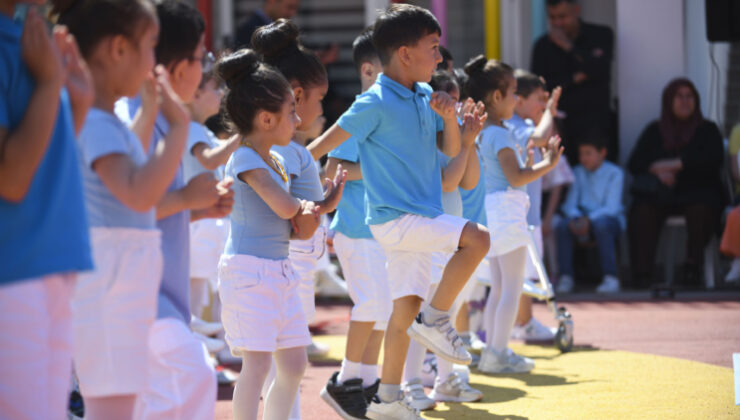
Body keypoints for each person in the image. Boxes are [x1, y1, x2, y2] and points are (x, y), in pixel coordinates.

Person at [308, 5, 491, 419]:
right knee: (479, 237)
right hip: (397, 219)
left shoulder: (427, 96)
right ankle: (438, 317)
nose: (441, 58)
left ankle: (387, 399)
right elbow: (321, 148)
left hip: (416, 219)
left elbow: (447, 154)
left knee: (402, 311)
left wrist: (455, 125)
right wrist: (281, 166)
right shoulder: (373, 101)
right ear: (405, 54)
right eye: (434, 48)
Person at [57, 1, 190, 418]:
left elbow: (125, 163)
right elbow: (136, 191)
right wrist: (179, 128)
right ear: (117, 50)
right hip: (111, 282)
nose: (155, 60)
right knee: (114, 406)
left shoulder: (105, 122)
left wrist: (150, 114)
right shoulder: (95, 123)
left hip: (119, 278)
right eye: (150, 46)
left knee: (122, 403)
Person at [115, 2, 234, 417]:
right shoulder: (135, 119)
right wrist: (186, 199)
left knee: (152, 396)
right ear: (180, 68)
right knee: (192, 376)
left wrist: (197, 209)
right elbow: (124, 203)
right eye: (202, 59)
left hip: (157, 291)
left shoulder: (163, 119)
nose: (206, 71)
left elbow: (149, 208)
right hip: (135, 290)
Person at [214, 48, 345, 420]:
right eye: (291, 111)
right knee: (255, 367)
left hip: (278, 271)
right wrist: (308, 206)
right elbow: (286, 208)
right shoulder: (244, 157)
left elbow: (299, 220)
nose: (298, 118)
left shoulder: (273, 157)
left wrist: (322, 202)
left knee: (293, 364)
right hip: (248, 273)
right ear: (267, 119)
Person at [0, 3, 93, 419]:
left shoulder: (28, 36)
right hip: (14, 270)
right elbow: (13, 178)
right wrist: (50, 82)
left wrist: (77, 105)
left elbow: (45, 162)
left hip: (51, 264)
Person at [463, 55, 562, 374]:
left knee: (500, 288)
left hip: (491, 212)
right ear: (496, 97)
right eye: (513, 93)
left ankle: (495, 350)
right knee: (511, 287)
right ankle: (498, 352)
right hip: (506, 212)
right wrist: (547, 165)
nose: (516, 100)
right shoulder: (501, 134)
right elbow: (517, 176)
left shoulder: (483, 131)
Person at [403, 70, 486, 410]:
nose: (454, 108)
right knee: (422, 315)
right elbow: (447, 183)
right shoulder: (424, 137)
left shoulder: (453, 137)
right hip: (429, 232)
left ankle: (445, 381)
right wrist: (465, 143)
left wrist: (471, 141)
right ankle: (409, 384)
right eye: (449, 101)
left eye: (456, 100)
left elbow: (469, 181)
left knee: (443, 315)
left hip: (450, 234)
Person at [320, 26, 391, 420]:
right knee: (371, 305)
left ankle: (365, 382)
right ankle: (344, 382)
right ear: (368, 69)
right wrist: (383, 171)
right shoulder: (360, 113)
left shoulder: (386, 110)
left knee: (381, 309)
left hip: (378, 230)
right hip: (355, 228)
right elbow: (332, 167)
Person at [627, 78, 725, 289]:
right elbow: (635, 163)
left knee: (702, 205)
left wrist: (677, 164)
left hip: (697, 192)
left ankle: (693, 268)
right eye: (679, 97)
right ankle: (642, 273)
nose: (684, 101)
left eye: (689, 96)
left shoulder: (707, 129)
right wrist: (658, 170)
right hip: (663, 194)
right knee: (642, 209)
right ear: (668, 101)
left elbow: (713, 159)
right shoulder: (655, 130)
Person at [505, 70, 561, 340]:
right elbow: (537, 139)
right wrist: (550, 112)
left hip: (527, 213)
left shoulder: (518, 123)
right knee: (520, 276)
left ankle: (523, 321)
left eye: (545, 100)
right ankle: (522, 324)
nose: (542, 104)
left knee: (523, 275)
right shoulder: (514, 125)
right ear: (518, 99)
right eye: (539, 99)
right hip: (519, 215)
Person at [531, 0, 613, 164]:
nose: (557, 23)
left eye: (562, 16)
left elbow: (601, 70)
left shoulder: (601, 34)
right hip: (561, 127)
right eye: (552, 17)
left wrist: (568, 47)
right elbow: (539, 86)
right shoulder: (542, 46)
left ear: (576, 10)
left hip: (595, 125)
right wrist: (575, 78)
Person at [556, 135, 625, 293]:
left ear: (602, 153)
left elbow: (612, 208)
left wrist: (589, 220)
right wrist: (576, 218)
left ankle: (611, 277)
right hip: (582, 218)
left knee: (602, 225)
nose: (583, 158)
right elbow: (570, 204)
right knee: (562, 225)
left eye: (588, 153)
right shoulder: (578, 172)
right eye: (581, 154)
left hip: (607, 220)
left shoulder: (615, 173)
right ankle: (566, 277)